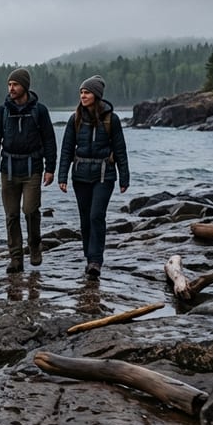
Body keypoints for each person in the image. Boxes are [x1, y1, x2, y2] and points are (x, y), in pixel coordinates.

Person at [56, 74, 130, 279]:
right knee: (85, 219)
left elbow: (120, 150)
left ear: (96, 95)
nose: (83, 95)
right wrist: (61, 176)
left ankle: (96, 260)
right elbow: (67, 150)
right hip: (80, 176)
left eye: (86, 92)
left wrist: (124, 178)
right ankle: (89, 258)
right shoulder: (75, 119)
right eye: (81, 92)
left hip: (104, 176)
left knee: (97, 215)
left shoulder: (111, 119)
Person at [0, 68, 57, 273]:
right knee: (11, 215)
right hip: (8, 169)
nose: (11, 88)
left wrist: (50, 168)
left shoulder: (39, 111)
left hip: (32, 168)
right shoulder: (2, 111)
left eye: (15, 84)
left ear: (25, 86)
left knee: (30, 210)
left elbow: (49, 140)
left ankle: (35, 245)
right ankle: (16, 258)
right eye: (9, 85)